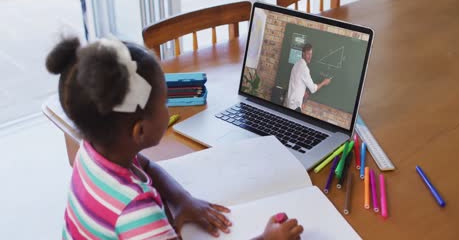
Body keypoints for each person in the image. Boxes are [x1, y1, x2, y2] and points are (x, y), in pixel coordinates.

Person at [46, 37, 303, 239]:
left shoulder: (93, 152)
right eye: (165, 103)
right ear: (140, 131)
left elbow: (147, 166)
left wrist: (182, 200)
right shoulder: (137, 212)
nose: (169, 110)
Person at [285, 43, 331, 112]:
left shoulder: (296, 64)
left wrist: (303, 91)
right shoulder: (304, 69)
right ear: (303, 54)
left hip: (289, 102)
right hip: (295, 106)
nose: (310, 56)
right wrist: (323, 83)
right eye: (308, 54)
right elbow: (313, 89)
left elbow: (296, 83)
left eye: (311, 54)